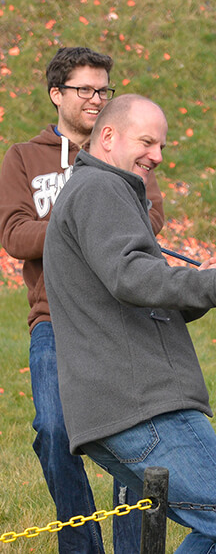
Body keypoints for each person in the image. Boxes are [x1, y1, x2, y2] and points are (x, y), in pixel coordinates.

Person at [43, 94, 216, 552]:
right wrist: (213, 285)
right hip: (143, 407)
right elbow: (131, 277)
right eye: (148, 142)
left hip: (118, 411)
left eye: (163, 146)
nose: (158, 156)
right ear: (107, 137)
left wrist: (212, 287)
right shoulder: (99, 189)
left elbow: (139, 291)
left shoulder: (103, 191)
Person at [0, 46, 164, 552]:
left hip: (119, 312)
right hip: (53, 318)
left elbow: (151, 219)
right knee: (53, 431)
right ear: (56, 94)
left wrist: (83, 224)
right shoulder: (24, 158)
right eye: (84, 90)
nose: (96, 99)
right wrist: (80, 223)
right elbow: (14, 234)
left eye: (103, 90)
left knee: (130, 435)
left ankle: (131, 546)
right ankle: (82, 546)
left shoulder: (119, 148)